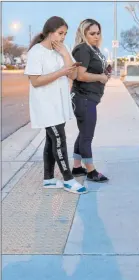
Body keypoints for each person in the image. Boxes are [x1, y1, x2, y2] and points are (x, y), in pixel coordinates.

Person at [24, 16, 87, 194]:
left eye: (65, 34)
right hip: (45, 105)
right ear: (49, 32)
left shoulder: (63, 49)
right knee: (59, 139)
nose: (62, 37)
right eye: (60, 33)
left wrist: (66, 55)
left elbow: (73, 76)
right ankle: (68, 180)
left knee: (51, 140)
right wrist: (60, 72)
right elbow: (35, 81)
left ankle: (49, 179)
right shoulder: (36, 52)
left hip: (59, 103)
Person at [71, 19, 110, 182]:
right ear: (83, 34)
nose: (96, 36)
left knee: (83, 133)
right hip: (83, 98)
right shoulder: (82, 49)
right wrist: (101, 77)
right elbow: (80, 75)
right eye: (92, 33)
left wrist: (105, 73)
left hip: (89, 98)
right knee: (87, 135)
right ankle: (91, 171)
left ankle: (76, 167)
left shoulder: (93, 49)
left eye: (98, 33)